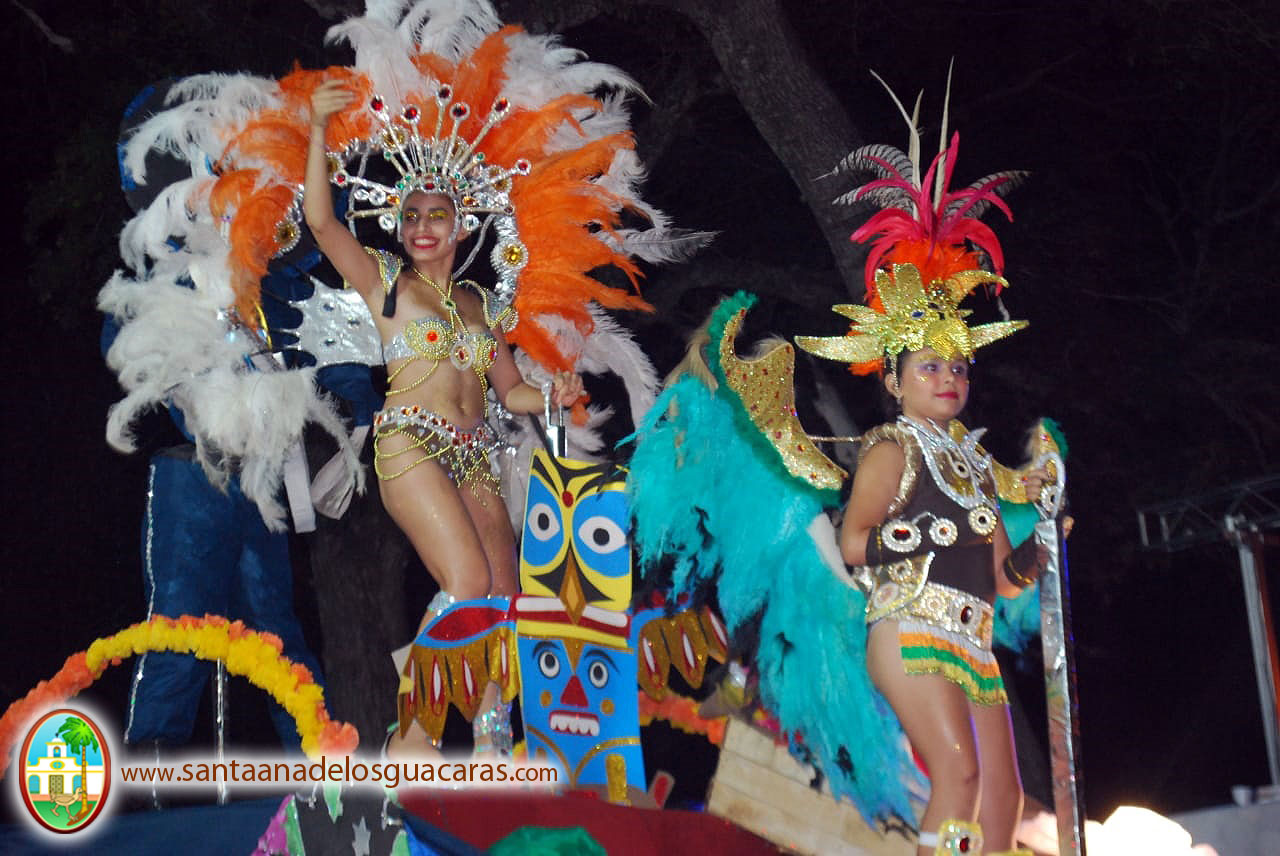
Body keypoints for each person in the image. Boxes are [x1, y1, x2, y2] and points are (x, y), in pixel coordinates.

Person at [305, 80, 583, 755]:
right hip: (409, 444)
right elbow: (320, 221)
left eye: (437, 215)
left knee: (503, 598)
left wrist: (552, 393)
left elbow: (509, 390)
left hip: (475, 451)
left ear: (462, 225)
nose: (422, 227)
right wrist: (318, 127)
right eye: (411, 216)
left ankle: (492, 744)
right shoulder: (387, 284)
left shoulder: (479, 305)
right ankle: (414, 733)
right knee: (464, 582)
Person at [833, 347, 1048, 855]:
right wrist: (931, 533)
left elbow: (1004, 580)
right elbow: (853, 543)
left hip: (973, 643)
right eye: (929, 367)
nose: (947, 378)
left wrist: (1042, 544)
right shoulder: (893, 449)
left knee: (1004, 798)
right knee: (960, 773)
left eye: (958, 369)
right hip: (911, 627)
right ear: (895, 383)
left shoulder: (974, 467)